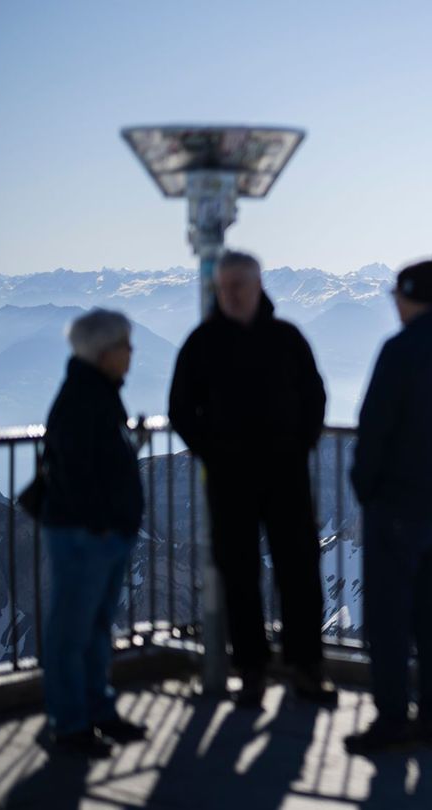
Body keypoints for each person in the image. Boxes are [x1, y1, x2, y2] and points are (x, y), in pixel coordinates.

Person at [168, 250, 336, 707]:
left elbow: (315, 396)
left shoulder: (287, 339)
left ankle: (306, 668)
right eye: (224, 288)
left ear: (259, 285)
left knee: (299, 571)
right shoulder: (202, 344)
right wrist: (213, 453)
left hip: (286, 477)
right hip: (230, 481)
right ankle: (253, 670)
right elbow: (181, 409)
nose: (231, 294)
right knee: (239, 575)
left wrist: (299, 444)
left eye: (238, 285)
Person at [344, 255, 432, 754]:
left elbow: (374, 425)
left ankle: (391, 720)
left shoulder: (399, 352)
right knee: (430, 616)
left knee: (388, 618)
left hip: (395, 507)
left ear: (408, 296)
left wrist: (365, 487)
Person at [39, 308, 149, 758]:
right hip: (86, 536)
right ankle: (70, 724)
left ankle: (97, 711)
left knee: (95, 627)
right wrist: (102, 523)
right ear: (105, 353)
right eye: (125, 345)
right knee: (72, 632)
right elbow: (76, 470)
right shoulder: (85, 400)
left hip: (97, 534)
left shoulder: (97, 392)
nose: (131, 353)